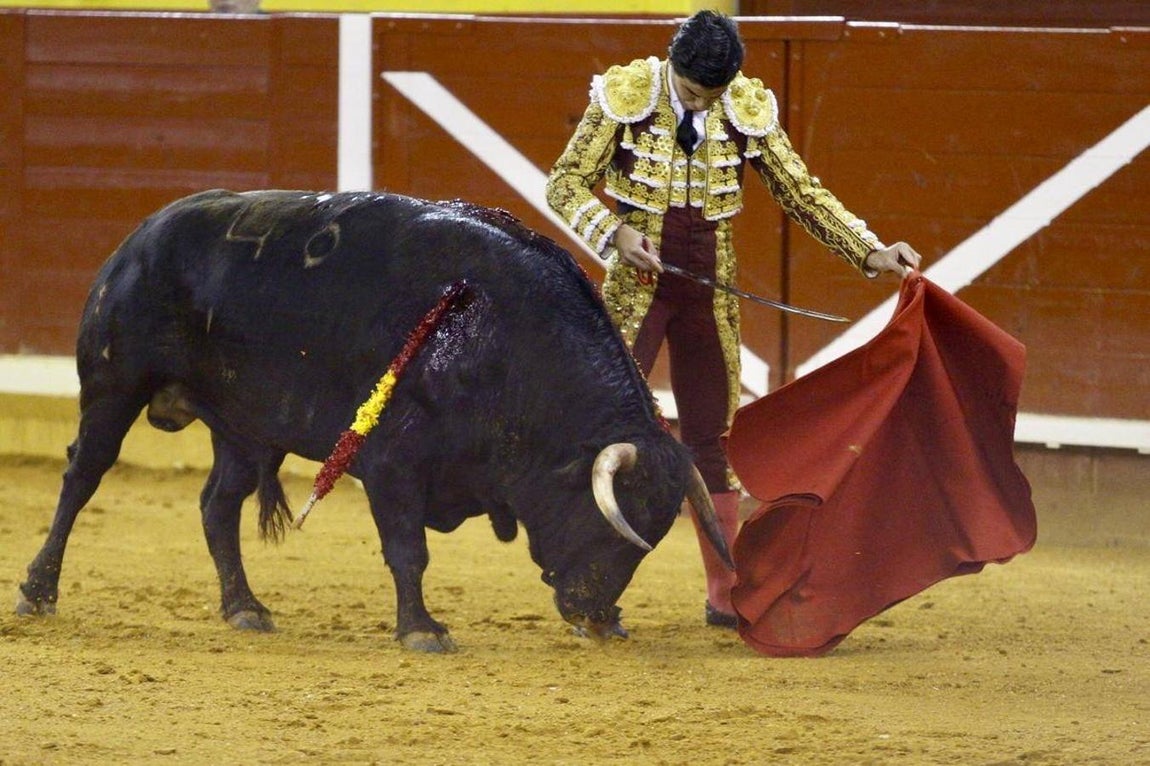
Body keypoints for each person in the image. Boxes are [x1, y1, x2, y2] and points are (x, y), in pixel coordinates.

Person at [545, 10, 922, 628]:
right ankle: (589, 587)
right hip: (638, 284)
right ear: (672, 65)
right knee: (607, 433)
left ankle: (724, 593)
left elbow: (800, 190)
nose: (702, 103)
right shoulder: (627, 95)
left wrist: (870, 249)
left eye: (712, 95)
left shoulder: (742, 106)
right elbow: (564, 184)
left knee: (712, 440)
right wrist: (614, 231)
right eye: (693, 92)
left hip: (708, 284)